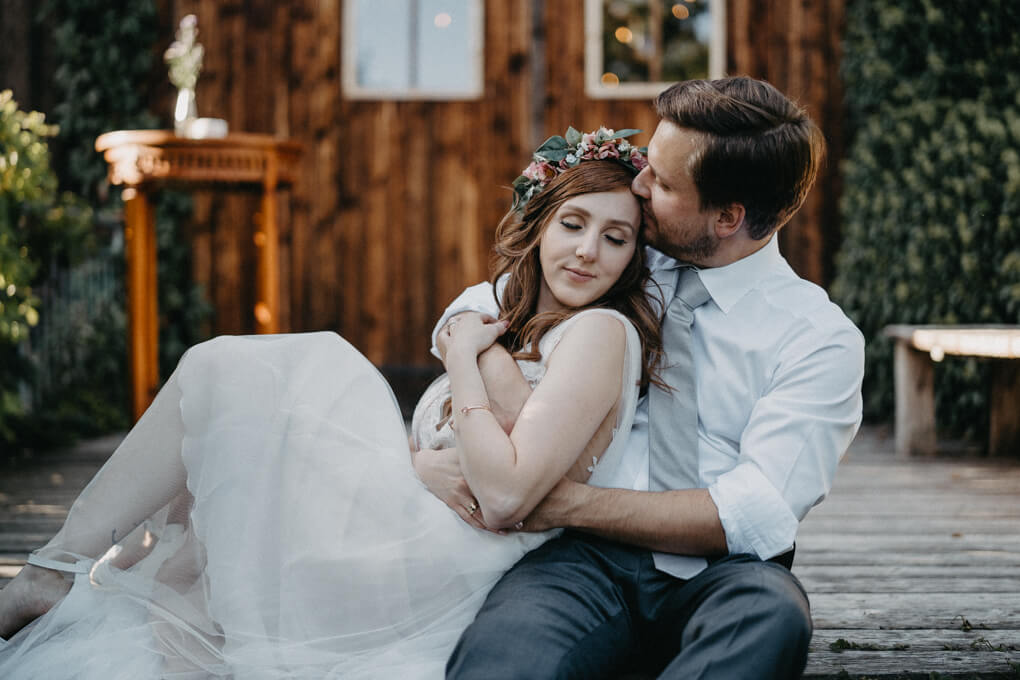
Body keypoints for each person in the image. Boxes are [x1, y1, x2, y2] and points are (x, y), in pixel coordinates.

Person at [0, 132, 662, 678]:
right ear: (539, 224)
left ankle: (56, 568)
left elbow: (506, 493)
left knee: (244, 381)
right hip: (409, 517)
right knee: (227, 416)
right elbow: (448, 452)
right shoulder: (502, 321)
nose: (587, 251)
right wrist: (412, 461)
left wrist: (466, 356)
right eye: (573, 224)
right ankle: (65, 572)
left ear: (635, 256)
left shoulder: (598, 333)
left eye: (616, 238)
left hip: (443, 561)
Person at [419, 77, 865, 679]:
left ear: (728, 216)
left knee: (773, 618)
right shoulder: (623, 254)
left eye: (662, 181)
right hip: (577, 563)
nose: (639, 185)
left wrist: (561, 502)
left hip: (721, 573)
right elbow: (475, 307)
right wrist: (493, 377)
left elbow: (754, 514)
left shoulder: (817, 336)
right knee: (506, 654)